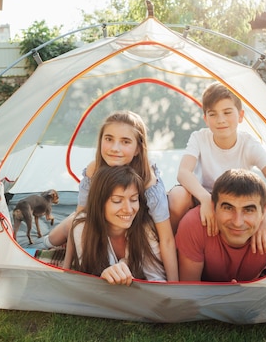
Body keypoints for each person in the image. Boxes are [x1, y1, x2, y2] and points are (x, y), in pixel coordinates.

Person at [43, 110, 178, 281]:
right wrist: (67, 267)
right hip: (101, 220)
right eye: (109, 139)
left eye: (125, 141)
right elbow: (80, 216)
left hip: (134, 226)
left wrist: (174, 287)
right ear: (100, 141)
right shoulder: (94, 169)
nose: (115, 148)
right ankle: (45, 242)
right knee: (70, 224)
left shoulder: (148, 180)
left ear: (138, 148)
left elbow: (166, 239)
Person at [168, 82, 266, 255]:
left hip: (237, 202)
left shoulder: (248, 144)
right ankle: (177, 250)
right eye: (213, 114)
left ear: (240, 116)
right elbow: (183, 172)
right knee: (177, 196)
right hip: (205, 197)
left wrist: (265, 215)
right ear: (205, 119)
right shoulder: (199, 138)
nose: (220, 119)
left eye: (227, 112)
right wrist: (206, 199)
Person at [176, 168, 266, 282]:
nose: (237, 222)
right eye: (228, 208)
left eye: (248, 210)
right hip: (207, 300)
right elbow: (189, 295)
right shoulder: (195, 224)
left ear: (264, 211)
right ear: (213, 206)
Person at [67, 165, 166, 285]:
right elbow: (88, 276)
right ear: (99, 202)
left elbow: (157, 278)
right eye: (117, 201)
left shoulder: (144, 227)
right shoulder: (83, 227)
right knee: (67, 225)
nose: (128, 210)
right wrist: (103, 275)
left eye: (134, 199)